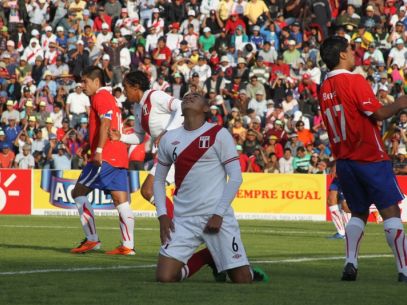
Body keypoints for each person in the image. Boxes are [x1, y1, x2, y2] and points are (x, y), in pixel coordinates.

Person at [109, 71, 226, 281]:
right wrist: (121, 138)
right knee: (154, 192)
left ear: (136, 86)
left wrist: (166, 133)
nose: (124, 92)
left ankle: (179, 233)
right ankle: (204, 248)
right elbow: (138, 136)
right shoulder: (137, 108)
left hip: (180, 147)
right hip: (168, 152)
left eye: (126, 87)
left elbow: (181, 108)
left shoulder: (155, 96)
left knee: (148, 189)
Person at [153, 92, 268, 283]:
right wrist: (162, 215)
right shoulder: (168, 138)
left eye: (196, 96)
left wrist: (219, 214)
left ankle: (228, 261)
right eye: (187, 96)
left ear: (206, 108)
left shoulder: (219, 134)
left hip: (216, 218)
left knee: (242, 281)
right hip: (183, 219)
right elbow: (158, 180)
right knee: (164, 277)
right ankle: (209, 256)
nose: (189, 97)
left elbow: (236, 177)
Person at [319, 36, 407, 283]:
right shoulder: (354, 80)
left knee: (358, 212)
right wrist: (400, 103)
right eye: (350, 49)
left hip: (344, 160)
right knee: (390, 213)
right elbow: (377, 112)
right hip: (369, 156)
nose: (354, 52)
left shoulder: (323, 88)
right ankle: (404, 270)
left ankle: (350, 263)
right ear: (341, 55)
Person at [70, 66, 134, 256]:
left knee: (78, 192)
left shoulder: (100, 96)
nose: (83, 85)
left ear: (96, 82)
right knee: (120, 201)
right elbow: (103, 125)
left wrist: (97, 151)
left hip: (105, 155)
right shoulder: (108, 97)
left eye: (86, 82)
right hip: (119, 155)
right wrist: (87, 145)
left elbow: (106, 123)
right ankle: (128, 245)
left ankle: (92, 240)